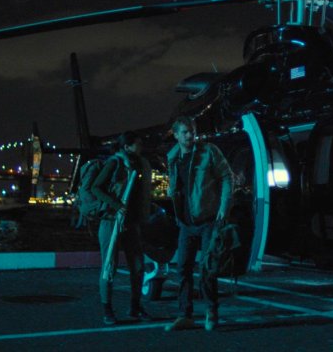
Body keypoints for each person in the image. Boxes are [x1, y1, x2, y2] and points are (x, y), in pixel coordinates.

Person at [164, 115, 233, 332]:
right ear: (175, 135)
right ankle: (185, 315)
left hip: (208, 220)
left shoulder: (208, 151)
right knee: (182, 267)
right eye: (184, 132)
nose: (190, 135)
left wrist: (224, 206)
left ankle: (211, 312)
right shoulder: (173, 157)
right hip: (186, 222)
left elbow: (227, 177)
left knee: (207, 268)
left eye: (192, 131)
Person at [91, 131, 153, 325]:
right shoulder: (114, 163)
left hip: (131, 222)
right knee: (109, 266)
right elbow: (96, 187)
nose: (141, 147)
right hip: (111, 221)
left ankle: (135, 307)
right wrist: (117, 205)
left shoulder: (140, 164)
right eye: (138, 144)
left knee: (138, 265)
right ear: (126, 147)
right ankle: (107, 309)